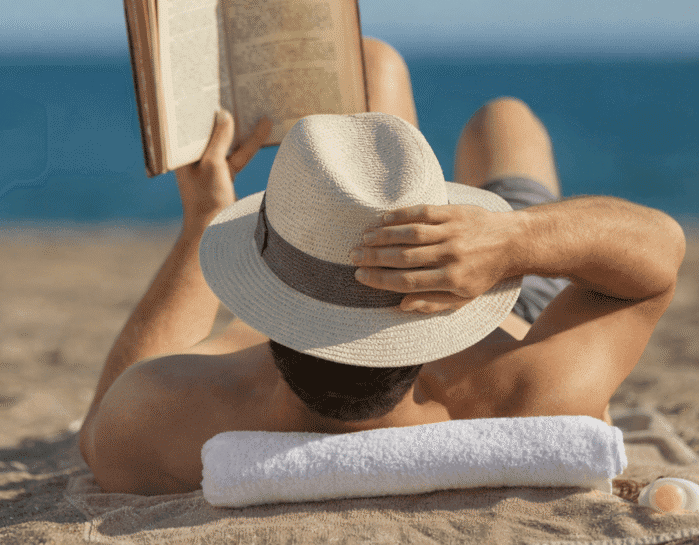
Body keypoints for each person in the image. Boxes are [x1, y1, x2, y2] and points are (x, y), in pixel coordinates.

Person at [78, 38, 685, 496]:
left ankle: (364, 195)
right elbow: (659, 250)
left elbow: (104, 421)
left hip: (365, 314)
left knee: (371, 63)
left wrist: (201, 220)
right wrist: (512, 240)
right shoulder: (535, 389)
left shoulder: (187, 413)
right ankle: (389, 193)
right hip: (510, 301)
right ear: (426, 334)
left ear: (274, 318)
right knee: (504, 120)